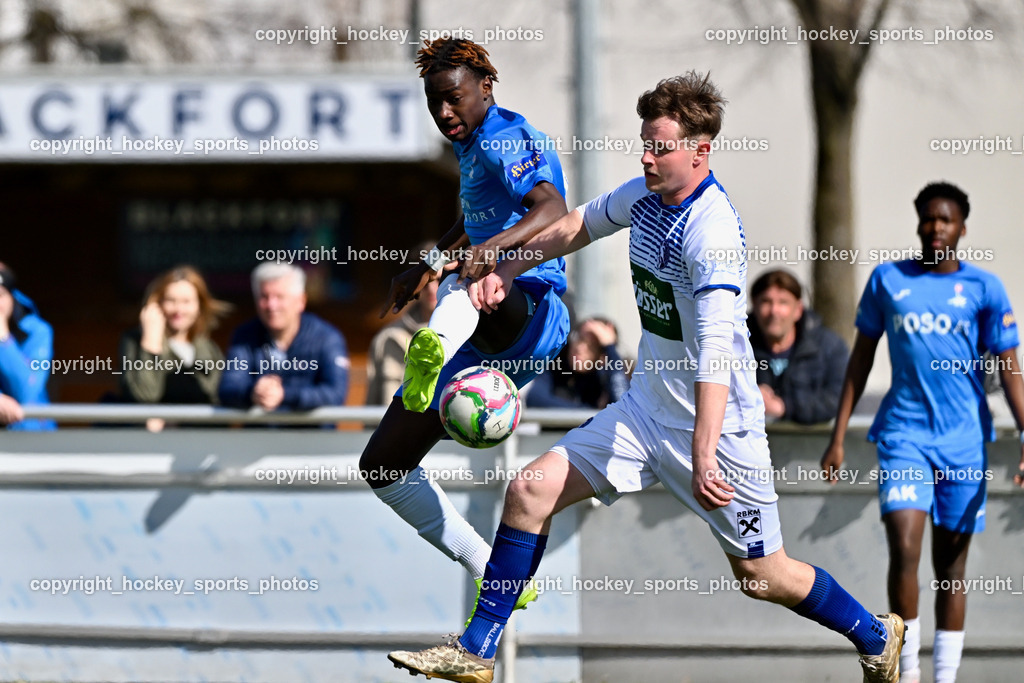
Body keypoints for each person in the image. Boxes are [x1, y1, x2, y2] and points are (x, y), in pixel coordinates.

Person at [388, 72, 903, 683]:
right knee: (528, 490)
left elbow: (715, 356)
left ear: (700, 151)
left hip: (720, 432)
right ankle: (476, 651)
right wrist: (506, 267)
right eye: (644, 144)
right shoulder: (645, 196)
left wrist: (704, 453)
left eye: (659, 147)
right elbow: (574, 227)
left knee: (762, 577)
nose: (646, 157)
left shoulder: (712, 234)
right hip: (643, 412)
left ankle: (876, 635)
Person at [357, 37, 570, 609]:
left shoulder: (503, 135)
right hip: (482, 332)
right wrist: (427, 263)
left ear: (486, 88)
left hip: (531, 310)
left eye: (454, 98)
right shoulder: (472, 143)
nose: (444, 112)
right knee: (382, 465)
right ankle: (489, 570)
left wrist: (491, 250)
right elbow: (474, 218)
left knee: (474, 277)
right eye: (435, 102)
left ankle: (435, 342)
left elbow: (551, 208)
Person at [821, 182, 1024, 683]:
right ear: (918, 223)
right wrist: (838, 434)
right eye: (928, 218)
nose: (936, 227)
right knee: (904, 547)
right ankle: (906, 671)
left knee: (950, 567)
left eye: (946, 219)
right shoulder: (888, 280)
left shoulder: (984, 288)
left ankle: (944, 677)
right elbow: (861, 358)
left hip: (964, 442)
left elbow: (1010, 368)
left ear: (962, 228)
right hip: (904, 435)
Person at [219, 262, 349, 411]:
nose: (271, 305)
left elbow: (335, 394)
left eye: (280, 297)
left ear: (301, 301)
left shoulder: (326, 337)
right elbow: (228, 387)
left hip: (311, 427)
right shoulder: (244, 336)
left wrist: (285, 395)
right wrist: (252, 392)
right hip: (261, 427)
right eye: (264, 297)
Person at [118, 266, 230, 430]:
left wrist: (177, 421)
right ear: (157, 303)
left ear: (199, 306)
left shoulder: (209, 349)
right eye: (171, 300)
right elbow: (144, 396)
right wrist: (151, 343)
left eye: (186, 302)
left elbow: (217, 404)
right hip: (153, 443)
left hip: (200, 440)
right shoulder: (134, 341)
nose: (179, 310)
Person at [747, 269, 849, 424]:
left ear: (798, 310)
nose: (774, 311)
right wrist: (747, 396)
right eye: (766, 302)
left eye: (783, 302)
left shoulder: (830, 347)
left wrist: (785, 407)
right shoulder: (735, 346)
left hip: (811, 439)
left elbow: (840, 399)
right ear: (754, 305)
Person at [365, 245, 439, 405]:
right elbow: (371, 404)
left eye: (439, 280)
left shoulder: (471, 335)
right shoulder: (388, 338)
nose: (432, 289)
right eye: (425, 282)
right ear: (413, 284)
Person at [525, 317, 629, 409]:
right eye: (580, 339)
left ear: (603, 357)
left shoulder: (604, 378)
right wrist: (590, 414)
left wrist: (610, 348)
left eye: (591, 345)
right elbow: (535, 399)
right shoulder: (556, 364)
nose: (580, 348)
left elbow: (623, 407)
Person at [0, 263, 55, 431]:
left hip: (30, 435)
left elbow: (26, 392)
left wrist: (3, 338)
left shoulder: (38, 332)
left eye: (0, 295)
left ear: (11, 297)